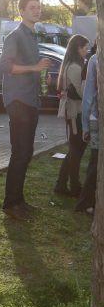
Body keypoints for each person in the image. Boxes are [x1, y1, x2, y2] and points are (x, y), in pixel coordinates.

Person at [0, 0, 50, 221]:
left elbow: (31, 68)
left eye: (39, 7)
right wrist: (34, 68)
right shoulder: (15, 36)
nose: (37, 11)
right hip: (18, 102)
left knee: (26, 153)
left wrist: (40, 76)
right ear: (22, 11)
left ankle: (18, 200)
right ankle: (11, 203)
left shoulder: (32, 36)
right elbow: (4, 66)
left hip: (30, 100)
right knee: (20, 153)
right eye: (32, 8)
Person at [54, 35, 89, 197]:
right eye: (85, 48)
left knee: (75, 150)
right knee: (76, 151)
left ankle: (62, 185)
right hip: (75, 113)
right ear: (77, 48)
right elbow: (82, 92)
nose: (87, 51)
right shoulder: (75, 67)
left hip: (74, 112)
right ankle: (74, 187)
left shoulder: (72, 64)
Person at [75, 52, 98, 214]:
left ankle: (86, 202)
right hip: (97, 117)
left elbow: (88, 94)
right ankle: (86, 202)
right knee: (96, 162)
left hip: (96, 117)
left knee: (95, 162)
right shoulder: (96, 59)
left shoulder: (95, 59)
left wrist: (85, 125)